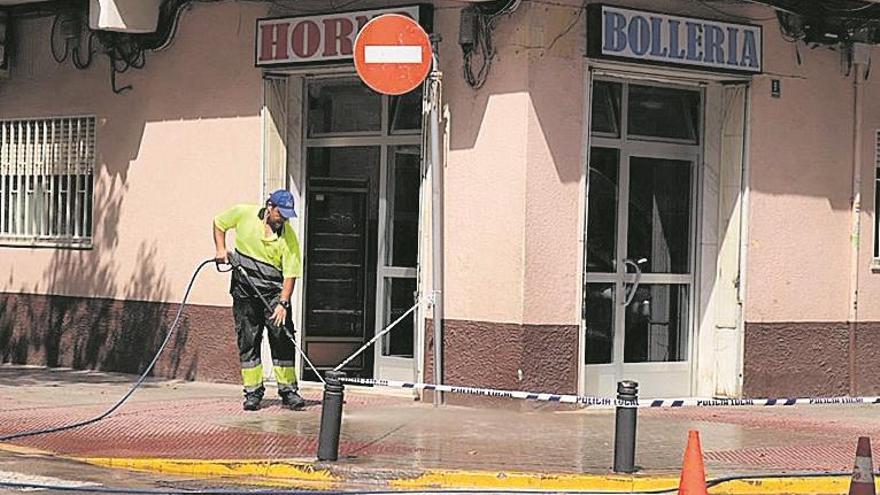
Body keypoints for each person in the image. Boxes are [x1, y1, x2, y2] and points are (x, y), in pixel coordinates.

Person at [213, 190, 305, 411]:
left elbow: (291, 273)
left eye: (286, 215)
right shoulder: (244, 213)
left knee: (281, 337)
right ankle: (253, 393)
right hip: (244, 291)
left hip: (273, 294)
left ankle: (288, 391)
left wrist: (283, 304)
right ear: (270, 207)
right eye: (280, 213)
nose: (282, 218)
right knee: (248, 339)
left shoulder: (288, 236)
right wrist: (220, 248)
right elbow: (219, 222)